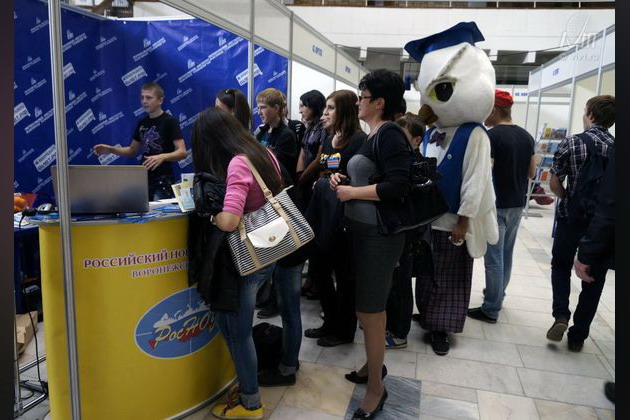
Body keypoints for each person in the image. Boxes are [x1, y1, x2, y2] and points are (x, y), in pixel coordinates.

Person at [191, 107, 283, 420]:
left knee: (238, 333)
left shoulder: (238, 163)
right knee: (235, 328)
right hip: (266, 251)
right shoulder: (263, 153)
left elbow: (229, 221)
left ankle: (251, 403)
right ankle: (246, 387)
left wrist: (212, 215)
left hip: (246, 260)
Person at [331, 69, 410, 419]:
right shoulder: (374, 134)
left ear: (379, 102)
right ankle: (372, 366)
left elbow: (398, 186)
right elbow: (370, 175)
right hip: (362, 233)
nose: (358, 103)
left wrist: (352, 192)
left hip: (378, 237)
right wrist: (343, 179)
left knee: (371, 312)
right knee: (367, 309)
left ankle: (376, 388)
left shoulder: (390, 133)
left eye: (362, 97)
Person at [546, 95, 615, 351]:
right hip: (603, 226)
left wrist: (568, 197)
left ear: (591, 115)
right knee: (594, 278)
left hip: (571, 218)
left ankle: (561, 315)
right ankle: (578, 335)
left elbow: (555, 182)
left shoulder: (573, 142)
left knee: (560, 265)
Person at [467, 90, 536, 323]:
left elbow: (484, 173)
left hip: (495, 205)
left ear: (495, 110)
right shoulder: (526, 136)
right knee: (506, 253)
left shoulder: (490, 136)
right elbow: (532, 172)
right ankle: (498, 295)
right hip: (517, 204)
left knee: (493, 259)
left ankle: (490, 308)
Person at [304, 90, 366, 347]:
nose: (325, 113)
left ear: (345, 111)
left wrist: (344, 180)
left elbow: (364, 178)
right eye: (325, 108)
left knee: (345, 277)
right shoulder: (330, 139)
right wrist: (324, 179)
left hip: (346, 219)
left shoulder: (360, 140)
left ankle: (344, 331)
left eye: (331, 108)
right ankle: (330, 322)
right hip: (324, 215)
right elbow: (326, 169)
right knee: (319, 271)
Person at [93, 82, 186, 200]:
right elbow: (132, 150)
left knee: (159, 211)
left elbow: (182, 152)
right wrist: (111, 149)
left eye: (149, 98)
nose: (144, 101)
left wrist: (162, 157)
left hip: (162, 180)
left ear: (160, 100)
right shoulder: (142, 122)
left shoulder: (170, 121)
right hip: (143, 179)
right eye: (142, 97)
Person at [573, 146, 614, 404]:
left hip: (606, 235)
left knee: (593, 282)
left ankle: (578, 333)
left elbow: (610, 205)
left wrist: (586, 251)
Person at [254, 89, 298, 319]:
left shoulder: (286, 136)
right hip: (263, 198)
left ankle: (275, 301)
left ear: (277, 109)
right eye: (259, 107)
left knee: (278, 253)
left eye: (263, 107)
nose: (259, 111)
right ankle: (265, 296)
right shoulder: (261, 132)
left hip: (279, 197)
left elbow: (276, 167)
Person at [383, 113, 426, 350]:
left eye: (403, 136)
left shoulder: (415, 164)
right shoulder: (402, 160)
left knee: (401, 282)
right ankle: (390, 325)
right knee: (393, 280)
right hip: (398, 229)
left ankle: (400, 332)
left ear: (417, 140)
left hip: (407, 232)